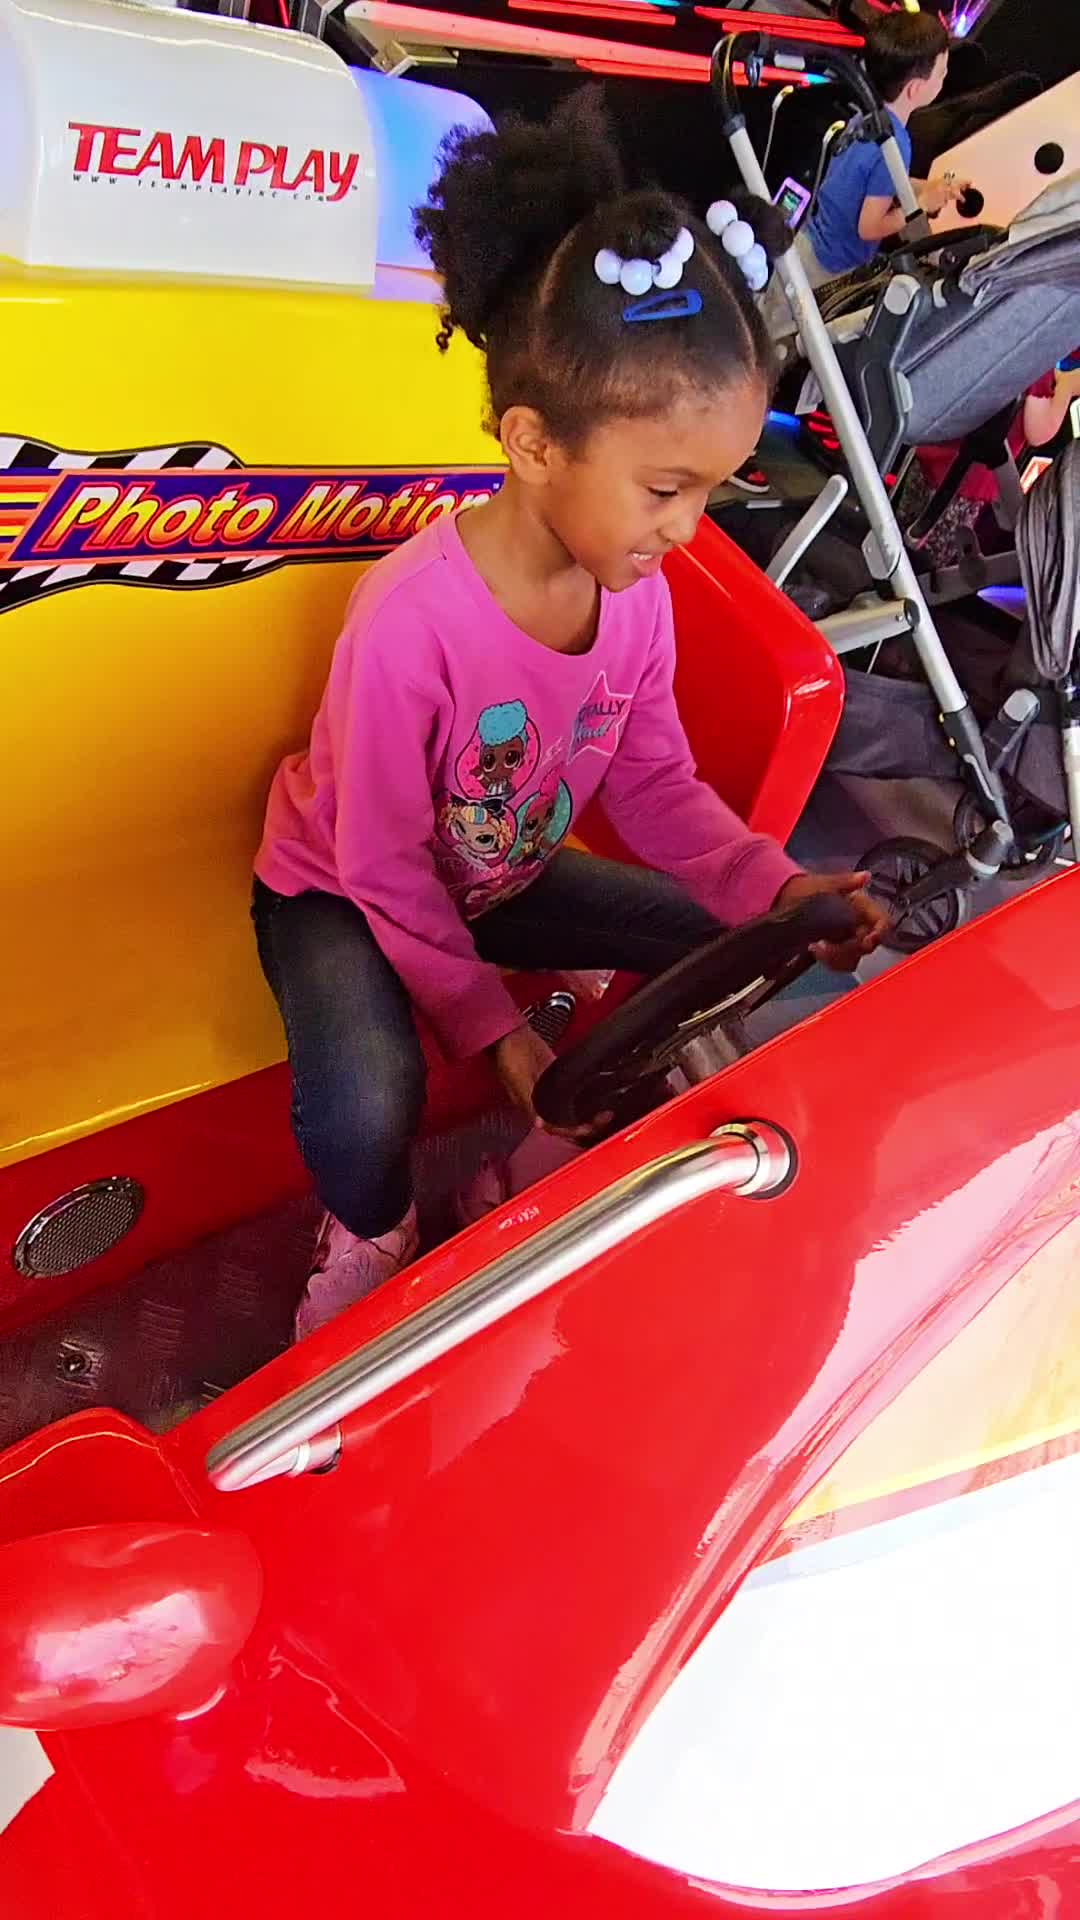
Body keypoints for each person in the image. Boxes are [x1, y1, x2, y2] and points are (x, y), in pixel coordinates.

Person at [252, 89, 887, 1339]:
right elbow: (383, 862)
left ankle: (527, 1180)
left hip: (502, 873)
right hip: (339, 884)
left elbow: (656, 788)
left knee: (712, 941)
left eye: (711, 490)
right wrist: (498, 1039)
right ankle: (373, 1225)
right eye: (664, 489)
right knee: (368, 1100)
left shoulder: (633, 596)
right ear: (536, 444)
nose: (689, 531)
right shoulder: (409, 623)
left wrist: (773, 887)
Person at [900, 359, 1080, 568]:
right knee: (928, 560)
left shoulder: (1015, 350)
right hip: (966, 481)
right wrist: (1067, 387)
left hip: (935, 453)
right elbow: (1037, 431)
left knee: (899, 528)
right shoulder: (1038, 364)